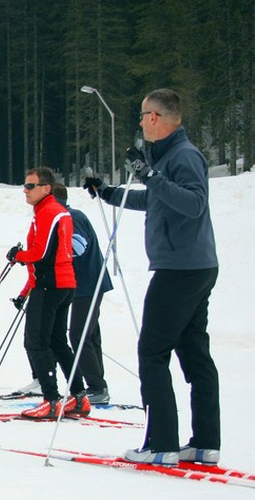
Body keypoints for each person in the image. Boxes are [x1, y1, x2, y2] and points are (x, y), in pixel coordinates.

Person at [84, 88, 220, 467]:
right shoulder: (169, 157)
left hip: (181, 269)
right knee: (194, 353)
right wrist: (108, 193)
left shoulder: (184, 155)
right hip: (191, 266)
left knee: (152, 352)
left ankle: (161, 443)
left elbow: (193, 204)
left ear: (157, 118)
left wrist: (150, 175)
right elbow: (157, 198)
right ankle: (206, 443)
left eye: (143, 116)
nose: (140, 122)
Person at [7, 166, 89, 420]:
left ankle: (51, 400)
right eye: (25, 185)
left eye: (30, 186)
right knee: (57, 342)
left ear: (46, 187)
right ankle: (79, 396)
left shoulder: (48, 212)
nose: (25, 191)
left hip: (49, 284)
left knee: (35, 342)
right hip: (64, 283)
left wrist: (17, 256)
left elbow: (40, 253)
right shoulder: (55, 211)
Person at [52, 183, 113, 404]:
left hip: (87, 283)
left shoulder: (70, 216)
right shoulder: (67, 216)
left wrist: (51, 255)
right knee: (89, 334)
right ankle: (98, 384)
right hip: (85, 283)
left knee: (78, 334)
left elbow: (78, 247)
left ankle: (97, 387)